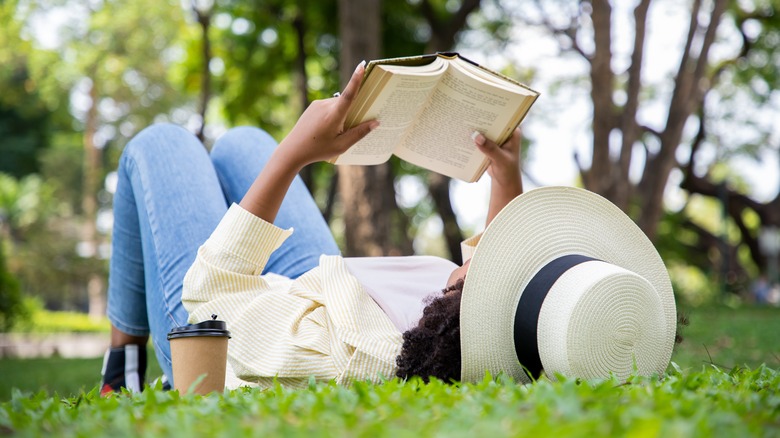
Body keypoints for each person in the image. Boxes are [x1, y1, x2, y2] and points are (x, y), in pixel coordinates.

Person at [101, 60, 678, 394]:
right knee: (243, 142)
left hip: (229, 335)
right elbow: (482, 273)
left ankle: (122, 361)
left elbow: (212, 295)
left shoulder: (354, 359)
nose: (503, 252)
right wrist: (506, 178)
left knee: (162, 143)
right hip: (323, 293)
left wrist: (297, 154)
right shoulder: (482, 335)